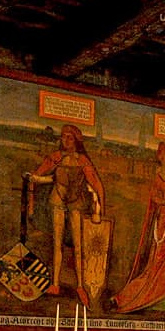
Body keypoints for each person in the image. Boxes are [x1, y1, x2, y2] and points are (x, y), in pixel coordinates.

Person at [24, 124, 105, 306]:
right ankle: (55, 284)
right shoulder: (56, 157)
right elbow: (36, 175)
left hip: (76, 203)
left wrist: (101, 207)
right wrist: (31, 192)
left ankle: (80, 286)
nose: (65, 140)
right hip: (58, 200)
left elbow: (97, 184)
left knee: (78, 245)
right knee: (57, 243)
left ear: (76, 140)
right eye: (63, 137)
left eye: (69, 137)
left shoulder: (83, 160)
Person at [109, 143, 165, 313]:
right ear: (161, 160)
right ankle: (144, 292)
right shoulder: (158, 178)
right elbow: (154, 198)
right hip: (164, 221)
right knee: (160, 256)